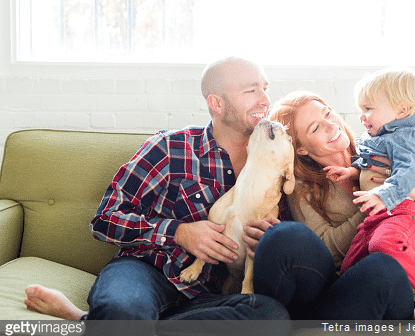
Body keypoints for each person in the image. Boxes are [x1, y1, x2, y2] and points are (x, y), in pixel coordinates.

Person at [25, 56, 291, 335]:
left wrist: (268, 240)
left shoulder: (277, 158)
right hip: (147, 271)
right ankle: (119, 321)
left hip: (211, 295)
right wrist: (179, 232)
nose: (264, 100)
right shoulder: (169, 147)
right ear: (217, 103)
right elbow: (104, 220)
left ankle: (89, 322)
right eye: (251, 90)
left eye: (266, 88)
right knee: (125, 309)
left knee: (273, 317)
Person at [265, 89, 415, 320]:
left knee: (385, 265)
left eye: (328, 113)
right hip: (345, 287)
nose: (330, 124)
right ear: (301, 149)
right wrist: (376, 198)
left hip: (391, 280)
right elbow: (326, 250)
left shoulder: (382, 151)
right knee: (379, 264)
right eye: (315, 128)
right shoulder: (304, 188)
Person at [338, 67, 415, 320]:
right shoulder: (381, 135)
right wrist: (352, 171)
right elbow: (374, 163)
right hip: (377, 216)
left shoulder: (408, 136)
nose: (362, 116)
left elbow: (409, 172)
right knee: (350, 268)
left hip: (403, 213)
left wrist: (383, 194)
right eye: (360, 110)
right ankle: (398, 303)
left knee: (384, 244)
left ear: (401, 111)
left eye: (368, 109)